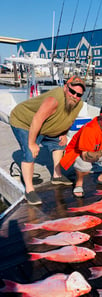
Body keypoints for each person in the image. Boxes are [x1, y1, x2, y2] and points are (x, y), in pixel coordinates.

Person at [10, 75, 86, 205]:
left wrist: (63, 133)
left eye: (79, 94)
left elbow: (70, 119)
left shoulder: (78, 104)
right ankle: (29, 190)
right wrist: (32, 143)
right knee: (29, 152)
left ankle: (57, 176)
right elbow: (37, 120)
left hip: (45, 126)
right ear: (65, 87)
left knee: (60, 142)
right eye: (72, 91)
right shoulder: (53, 100)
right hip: (24, 122)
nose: (75, 96)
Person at [60, 103, 102, 198]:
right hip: (79, 152)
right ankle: (79, 183)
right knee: (85, 167)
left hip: (101, 151)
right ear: (100, 118)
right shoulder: (89, 129)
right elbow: (85, 156)